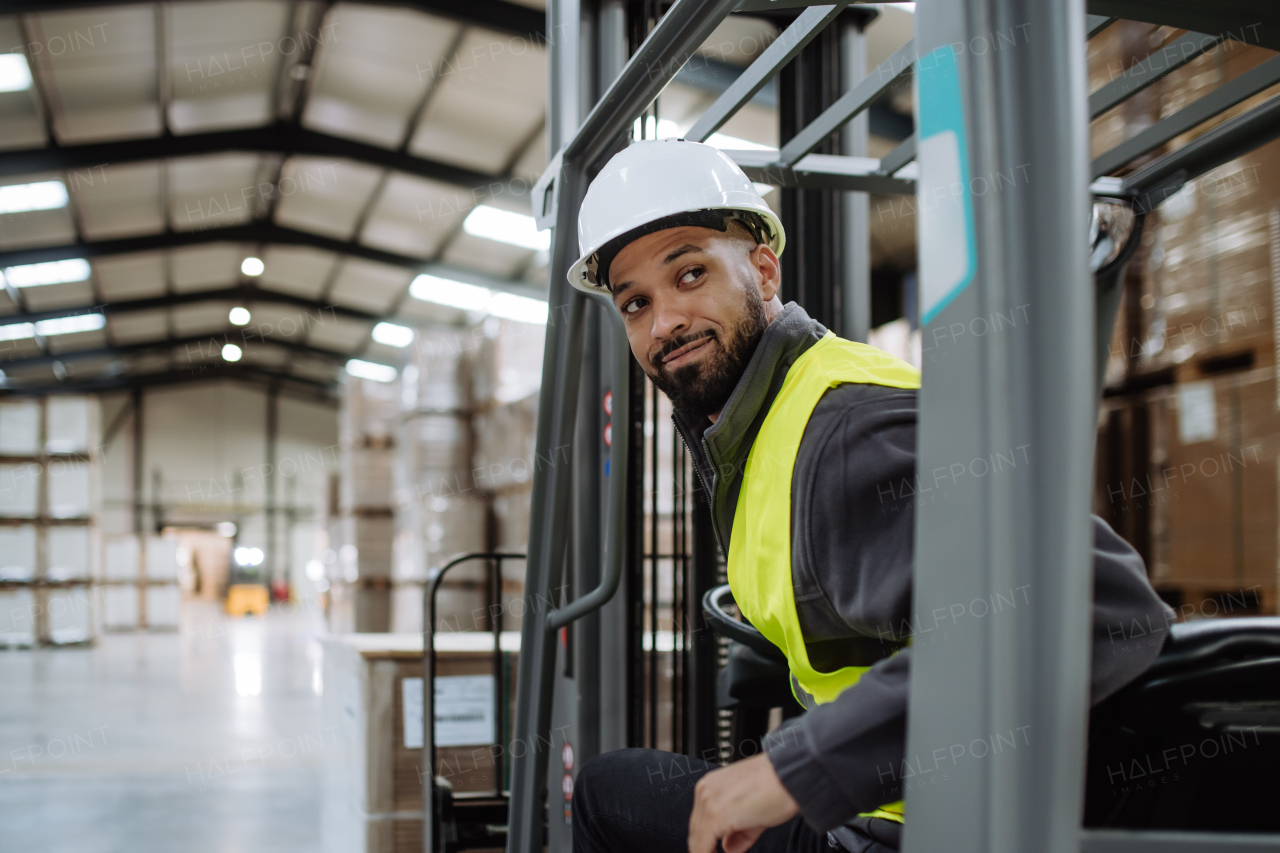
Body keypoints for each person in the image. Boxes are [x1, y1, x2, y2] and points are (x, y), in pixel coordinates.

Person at [566, 139, 1173, 853]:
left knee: (608, 791)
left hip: (913, 829)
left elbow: (1100, 608)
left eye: (690, 272)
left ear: (763, 271)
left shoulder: (848, 427)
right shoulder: (765, 424)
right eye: (635, 303)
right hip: (898, 805)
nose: (662, 320)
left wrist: (802, 765)